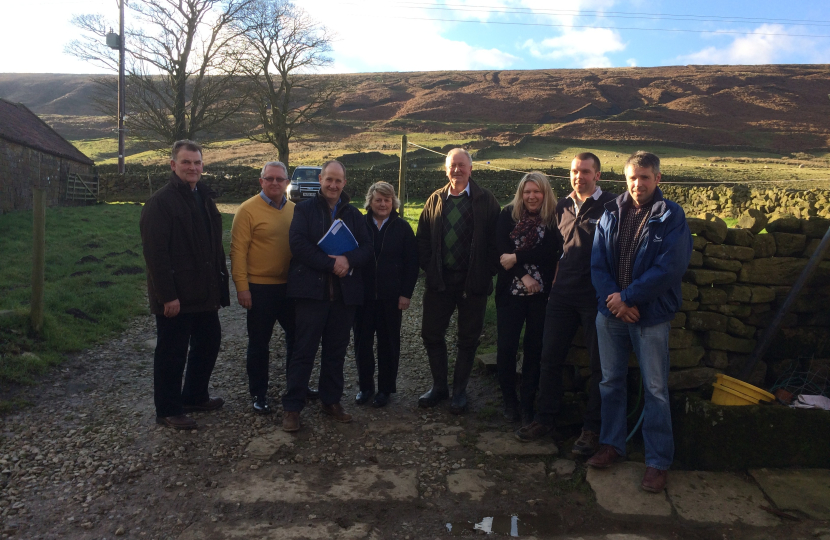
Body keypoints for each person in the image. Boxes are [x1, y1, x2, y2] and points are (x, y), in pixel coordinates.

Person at [587, 151, 692, 493]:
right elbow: (598, 264)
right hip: (612, 314)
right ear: (625, 178)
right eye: (633, 177)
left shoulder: (671, 215)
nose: (638, 184)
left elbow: (670, 268)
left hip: (650, 316)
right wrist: (616, 302)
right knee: (610, 381)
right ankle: (612, 444)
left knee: (656, 390)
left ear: (658, 179)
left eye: (645, 177)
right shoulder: (611, 212)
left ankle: (657, 461)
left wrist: (628, 297)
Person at [515, 152, 616, 456]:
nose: (579, 176)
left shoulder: (612, 205)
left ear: (597, 175)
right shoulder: (562, 205)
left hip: (595, 296)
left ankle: (592, 429)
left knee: (600, 365)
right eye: (575, 171)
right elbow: (558, 249)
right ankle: (545, 418)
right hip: (561, 295)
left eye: (585, 171)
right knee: (550, 358)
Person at [140, 139, 230, 430]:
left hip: (203, 292)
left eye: (197, 162)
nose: (192, 167)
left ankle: (194, 395)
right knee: (172, 352)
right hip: (176, 295)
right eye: (186, 162)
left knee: (209, 342)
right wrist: (168, 296)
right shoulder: (160, 203)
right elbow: (156, 254)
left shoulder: (203, 197)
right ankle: (168, 409)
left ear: (203, 165)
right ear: (173, 165)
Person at [282, 160, 372, 432]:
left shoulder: (354, 214)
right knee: (303, 351)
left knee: (335, 351)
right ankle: (292, 407)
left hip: (344, 296)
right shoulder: (304, 209)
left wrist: (347, 259)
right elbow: (297, 244)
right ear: (320, 179)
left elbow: (367, 248)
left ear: (344, 183)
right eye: (329, 179)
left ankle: (330, 401)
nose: (333, 185)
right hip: (311, 293)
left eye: (338, 181)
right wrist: (330, 263)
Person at [417, 148, 500, 414]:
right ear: (446, 170)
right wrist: (430, 268)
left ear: (471, 169)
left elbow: (496, 242)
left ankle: (459, 392)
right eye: (452, 166)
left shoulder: (486, 200)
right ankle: (439, 386)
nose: (457, 170)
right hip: (440, 282)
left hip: (472, 284)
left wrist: (485, 272)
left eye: (462, 165)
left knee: (468, 339)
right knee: (431, 333)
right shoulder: (435, 199)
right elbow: (422, 240)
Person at [231, 161, 311, 415]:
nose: (275, 183)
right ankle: (259, 393)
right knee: (259, 343)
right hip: (259, 288)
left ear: (288, 182)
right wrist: (242, 287)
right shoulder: (247, 211)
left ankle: (296, 386)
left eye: (280, 179)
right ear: (261, 181)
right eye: (270, 179)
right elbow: (238, 252)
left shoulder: (295, 211)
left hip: (291, 288)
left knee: (297, 340)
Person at [495, 172, 559, 424]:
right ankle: (509, 401)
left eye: (537, 191)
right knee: (507, 347)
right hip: (510, 293)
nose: (532, 196)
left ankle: (527, 402)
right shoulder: (507, 215)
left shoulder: (552, 219)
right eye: (527, 191)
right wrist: (524, 276)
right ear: (521, 193)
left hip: (540, 297)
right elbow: (501, 253)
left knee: (535, 349)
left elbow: (549, 253)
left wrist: (519, 258)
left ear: (545, 193)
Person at [353, 182, 419, 408]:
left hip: (391, 298)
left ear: (393, 203)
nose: (383, 204)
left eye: (387, 200)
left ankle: (385, 390)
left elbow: (412, 264)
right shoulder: (359, 225)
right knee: (362, 343)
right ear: (370, 201)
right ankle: (365, 387)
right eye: (378, 199)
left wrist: (405, 294)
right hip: (362, 297)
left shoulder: (402, 228)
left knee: (388, 344)